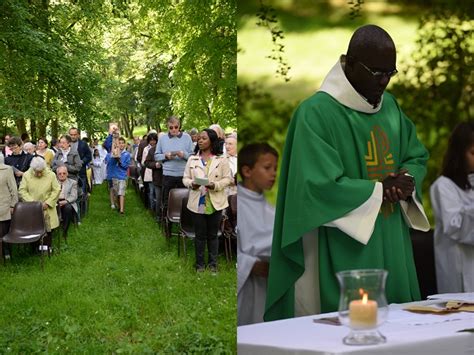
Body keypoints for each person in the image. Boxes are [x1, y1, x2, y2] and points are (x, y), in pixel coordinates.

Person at [265, 24, 431, 321]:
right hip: (346, 245)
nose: (384, 82)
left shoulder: (390, 108)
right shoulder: (315, 114)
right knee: (352, 328)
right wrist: (380, 190)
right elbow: (317, 187)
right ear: (350, 63)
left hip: (392, 235)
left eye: (389, 74)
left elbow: (415, 154)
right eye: (376, 72)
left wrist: (406, 179)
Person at [430, 121, 474, 293]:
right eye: (473, 153)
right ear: (459, 154)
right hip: (459, 269)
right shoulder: (443, 186)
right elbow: (454, 226)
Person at [237, 143, 278, 326]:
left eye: (275, 168)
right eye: (267, 168)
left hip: (267, 283)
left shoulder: (272, 209)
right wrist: (250, 264)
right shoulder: (236, 203)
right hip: (246, 283)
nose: (274, 174)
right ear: (247, 171)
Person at [183, 129, 232, 273]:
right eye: (199, 138)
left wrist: (214, 185)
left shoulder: (221, 159)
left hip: (215, 202)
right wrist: (192, 184)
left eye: (204, 138)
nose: (200, 140)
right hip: (197, 203)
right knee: (200, 236)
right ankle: (199, 265)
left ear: (212, 140)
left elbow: (228, 179)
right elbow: (185, 178)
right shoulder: (192, 159)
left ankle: (213, 265)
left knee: (212, 235)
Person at [19, 157, 61, 251]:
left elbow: (56, 189)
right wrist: (34, 203)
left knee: (48, 228)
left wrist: (48, 202)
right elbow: (22, 191)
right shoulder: (26, 175)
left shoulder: (51, 175)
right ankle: (34, 248)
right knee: (33, 227)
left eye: (41, 171)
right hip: (32, 207)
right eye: (36, 172)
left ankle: (47, 248)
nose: (39, 174)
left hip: (47, 206)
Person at [155, 116, 194, 216]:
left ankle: (184, 222)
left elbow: (193, 156)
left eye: (176, 127)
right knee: (166, 200)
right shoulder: (162, 138)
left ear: (179, 126)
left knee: (184, 199)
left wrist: (184, 155)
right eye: (171, 127)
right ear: (167, 127)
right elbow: (156, 156)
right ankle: (165, 221)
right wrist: (165, 156)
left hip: (183, 175)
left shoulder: (187, 137)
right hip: (168, 174)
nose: (174, 130)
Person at [106, 137, 131, 214]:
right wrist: (113, 156)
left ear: (125, 144)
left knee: (121, 192)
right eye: (119, 143)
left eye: (123, 143)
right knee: (116, 192)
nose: (121, 145)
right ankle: (117, 204)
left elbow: (126, 166)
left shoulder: (126, 154)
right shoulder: (112, 153)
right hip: (114, 175)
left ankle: (121, 210)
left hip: (122, 176)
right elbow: (108, 163)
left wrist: (120, 161)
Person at [0, 152, 18, 255]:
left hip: (4, 208)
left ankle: (7, 253)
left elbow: (14, 190)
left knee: (4, 232)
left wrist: (13, 205)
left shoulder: (7, 170)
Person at [56, 166, 79, 239]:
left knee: (68, 208)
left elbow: (74, 196)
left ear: (67, 174)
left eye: (64, 173)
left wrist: (65, 202)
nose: (62, 175)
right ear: (57, 175)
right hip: (55, 201)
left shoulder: (73, 182)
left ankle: (65, 231)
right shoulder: (53, 182)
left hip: (67, 202)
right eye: (59, 174)